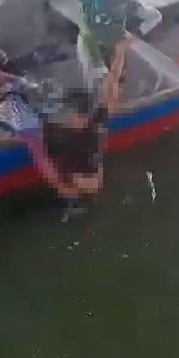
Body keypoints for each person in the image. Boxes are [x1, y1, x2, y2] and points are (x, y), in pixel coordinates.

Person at [47, 36, 129, 220]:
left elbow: (112, 85)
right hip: (78, 183)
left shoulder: (84, 128)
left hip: (82, 184)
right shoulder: (73, 127)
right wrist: (120, 53)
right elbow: (111, 84)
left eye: (71, 115)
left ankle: (76, 203)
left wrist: (120, 54)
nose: (68, 118)